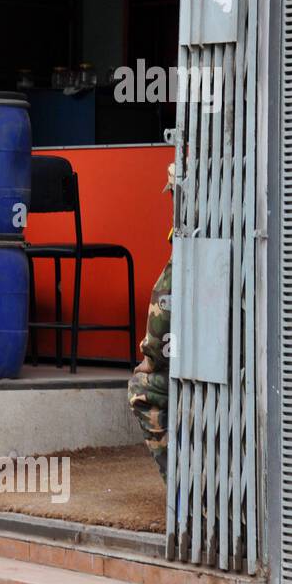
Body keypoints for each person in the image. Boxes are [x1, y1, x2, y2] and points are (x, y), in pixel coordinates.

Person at [128, 165, 175, 481]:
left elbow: (165, 304)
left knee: (144, 389)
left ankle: (184, 487)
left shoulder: (197, 234)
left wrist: (151, 357)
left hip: (224, 371)